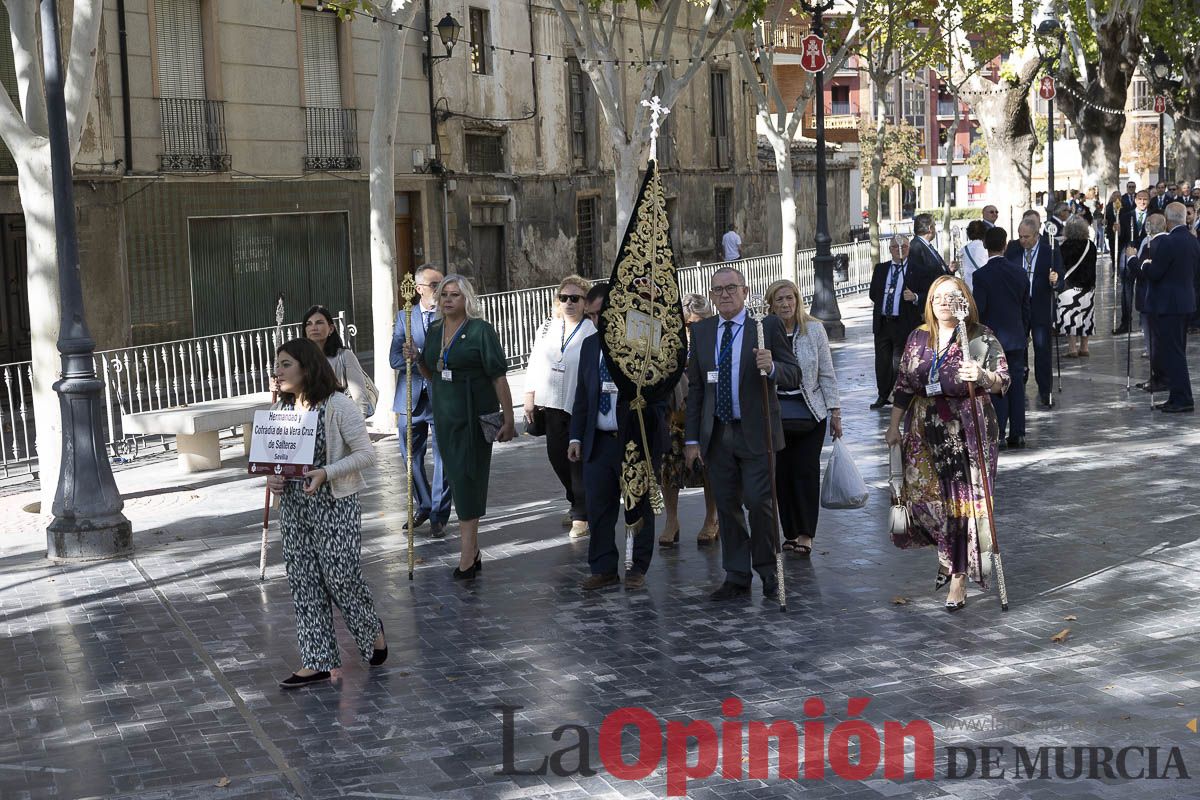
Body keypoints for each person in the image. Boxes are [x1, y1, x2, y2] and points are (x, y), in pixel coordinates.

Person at [885, 276, 1010, 612]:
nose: (943, 302)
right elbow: (903, 385)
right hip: (923, 430)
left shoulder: (978, 336)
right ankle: (946, 550)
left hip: (967, 429)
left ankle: (958, 576)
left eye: (951, 297)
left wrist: (982, 376)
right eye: (937, 297)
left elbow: (1004, 378)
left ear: (963, 300)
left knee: (963, 506)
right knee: (924, 502)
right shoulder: (917, 337)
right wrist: (894, 425)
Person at [267, 338, 386, 689]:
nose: (278, 371)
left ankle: (371, 628)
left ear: (307, 366)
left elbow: (366, 455)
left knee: (340, 578)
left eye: (286, 364)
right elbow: (276, 462)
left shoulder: (338, 406)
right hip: (294, 507)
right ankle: (317, 661)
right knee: (304, 582)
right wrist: (273, 478)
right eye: (277, 365)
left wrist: (326, 473)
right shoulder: (281, 412)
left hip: (334, 504)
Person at [684, 267, 800, 601]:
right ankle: (736, 574)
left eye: (730, 288)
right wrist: (693, 440)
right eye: (717, 290)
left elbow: (793, 374)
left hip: (756, 432)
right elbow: (696, 390)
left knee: (759, 504)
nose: (724, 295)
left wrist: (773, 366)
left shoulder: (766, 328)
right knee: (727, 505)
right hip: (718, 433)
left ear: (745, 291)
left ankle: (767, 571)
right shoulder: (703, 331)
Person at [402, 274, 517, 578]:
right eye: (443, 295)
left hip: (474, 415)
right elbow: (431, 372)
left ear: (467, 298)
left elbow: (498, 376)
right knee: (455, 477)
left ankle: (468, 554)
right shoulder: (436, 329)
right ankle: (473, 549)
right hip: (445, 416)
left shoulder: (481, 331)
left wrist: (509, 418)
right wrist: (415, 358)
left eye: (455, 294)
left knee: (469, 479)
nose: (448, 299)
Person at [568, 286, 668, 590]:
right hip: (597, 441)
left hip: (633, 439)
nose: (597, 320)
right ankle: (603, 567)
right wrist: (575, 437)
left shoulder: (640, 343)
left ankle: (637, 567)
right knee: (598, 507)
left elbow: (660, 394)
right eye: (592, 315)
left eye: (601, 313)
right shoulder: (588, 346)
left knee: (637, 506)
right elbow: (583, 396)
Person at [765, 279, 842, 558]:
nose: (785, 304)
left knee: (805, 471)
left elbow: (826, 373)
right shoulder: (764, 332)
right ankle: (790, 532)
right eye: (779, 300)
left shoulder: (815, 330)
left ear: (797, 300)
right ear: (771, 305)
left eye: (790, 298)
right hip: (777, 413)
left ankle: (807, 533)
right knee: (782, 474)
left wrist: (835, 411)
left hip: (812, 411)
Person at [524, 274, 596, 539]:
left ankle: (581, 513)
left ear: (585, 303)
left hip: (579, 404)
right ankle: (575, 500)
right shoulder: (547, 328)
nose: (568, 303)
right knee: (557, 456)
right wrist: (529, 396)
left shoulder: (592, 330)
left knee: (576, 459)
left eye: (575, 298)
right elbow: (534, 361)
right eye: (563, 297)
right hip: (552, 402)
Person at [388, 266, 452, 537]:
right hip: (410, 398)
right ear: (419, 289)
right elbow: (394, 359)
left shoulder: (448, 316)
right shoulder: (405, 317)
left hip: (441, 397)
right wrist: (411, 357)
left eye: (442, 283)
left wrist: (422, 356)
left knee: (443, 458)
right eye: (434, 284)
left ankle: (439, 512)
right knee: (409, 457)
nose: (440, 289)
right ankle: (423, 503)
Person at [658, 292, 720, 547]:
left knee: (708, 466)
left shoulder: (713, 338)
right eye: (685, 323)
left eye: (695, 323)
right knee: (669, 466)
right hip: (674, 414)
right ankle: (671, 520)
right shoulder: (669, 341)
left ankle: (711, 518)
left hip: (705, 410)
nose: (690, 328)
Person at [972, 227, 1029, 448]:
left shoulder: (981, 276)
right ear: (1005, 245)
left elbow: (980, 309)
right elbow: (1026, 308)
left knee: (996, 384)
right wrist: (1024, 331)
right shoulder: (1020, 273)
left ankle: (999, 431)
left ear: (986, 246)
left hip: (993, 340)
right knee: (1016, 385)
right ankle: (1019, 432)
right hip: (1016, 337)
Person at [1142, 202, 1200, 412]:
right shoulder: (1192, 240)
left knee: (1173, 353)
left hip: (1169, 305)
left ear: (1167, 220)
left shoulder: (1168, 242)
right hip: (1185, 302)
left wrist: (1144, 264)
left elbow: (1155, 273)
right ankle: (1177, 396)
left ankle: (1183, 398)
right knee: (1176, 352)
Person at [1005, 219, 1058, 407]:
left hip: (1040, 306)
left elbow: (1060, 274)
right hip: (1019, 307)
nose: (1022, 240)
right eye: (1020, 236)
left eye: (1026, 237)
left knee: (1042, 349)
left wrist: (1055, 279)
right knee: (1019, 348)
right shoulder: (1013, 250)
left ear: (1036, 235)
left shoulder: (1048, 251)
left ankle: (1045, 391)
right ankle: (1019, 386)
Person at [869, 235, 920, 409]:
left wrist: (915, 297)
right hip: (883, 322)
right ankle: (883, 394)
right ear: (890, 249)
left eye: (904, 246)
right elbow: (873, 293)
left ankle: (898, 395)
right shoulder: (881, 269)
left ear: (908, 248)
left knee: (898, 362)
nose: (900, 250)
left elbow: (926, 291)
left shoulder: (916, 269)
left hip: (903, 322)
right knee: (882, 361)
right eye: (896, 247)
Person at [305, 305, 373, 417]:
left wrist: (357, 424)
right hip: (307, 424)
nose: (313, 327)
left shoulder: (345, 356)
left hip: (338, 421)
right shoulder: (298, 359)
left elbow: (359, 398)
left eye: (319, 323)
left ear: (331, 329)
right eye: (309, 324)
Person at [1129, 213, 1169, 393]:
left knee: (1153, 341)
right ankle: (1159, 376)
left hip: (1150, 298)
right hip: (1162, 300)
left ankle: (1159, 377)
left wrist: (1131, 258)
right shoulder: (1168, 242)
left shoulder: (1153, 244)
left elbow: (1143, 271)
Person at [1055, 216, 1097, 358]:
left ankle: (1072, 348)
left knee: (1070, 317)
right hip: (1087, 286)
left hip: (1069, 287)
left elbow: (1061, 266)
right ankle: (1084, 347)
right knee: (1086, 316)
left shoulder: (1064, 247)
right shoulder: (1090, 245)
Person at [1115, 190, 1150, 335]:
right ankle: (1125, 322)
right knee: (1126, 288)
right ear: (1135, 200)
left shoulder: (1153, 216)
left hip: (1146, 253)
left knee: (1145, 287)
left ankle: (1145, 322)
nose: (1142, 202)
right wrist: (1117, 230)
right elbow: (1121, 237)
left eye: (1145, 199)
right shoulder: (1126, 216)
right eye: (1140, 199)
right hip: (1128, 251)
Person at [906, 213, 952, 310]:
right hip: (927, 303)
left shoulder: (926, 245)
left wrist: (949, 270)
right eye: (934, 225)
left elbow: (935, 269)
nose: (935, 228)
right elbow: (917, 278)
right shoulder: (916, 247)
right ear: (930, 228)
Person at [958, 220, 989, 291]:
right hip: (983, 287)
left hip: (968, 288)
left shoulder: (963, 250)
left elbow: (961, 270)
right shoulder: (985, 248)